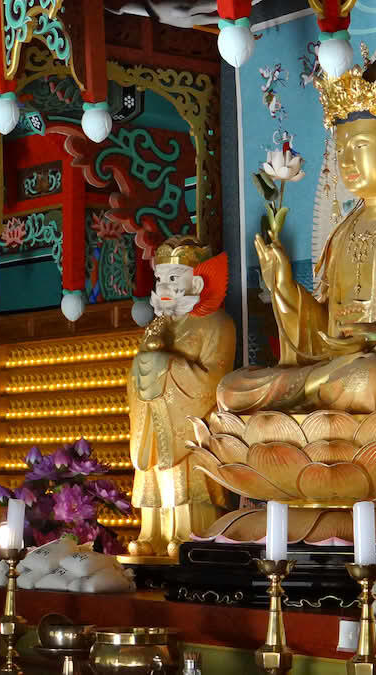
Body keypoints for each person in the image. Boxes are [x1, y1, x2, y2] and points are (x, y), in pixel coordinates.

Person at [217, 50, 376, 414]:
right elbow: (325, 331)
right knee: (231, 389)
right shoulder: (342, 234)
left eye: (361, 146)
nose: (347, 161)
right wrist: (286, 289)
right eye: (341, 149)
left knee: (369, 381)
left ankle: (317, 388)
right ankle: (319, 385)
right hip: (338, 369)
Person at [127, 235, 236, 558]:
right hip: (153, 417)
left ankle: (188, 532)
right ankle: (153, 533)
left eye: (173, 279)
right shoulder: (157, 327)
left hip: (190, 423)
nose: (164, 286)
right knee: (152, 473)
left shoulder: (216, 324)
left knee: (185, 472)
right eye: (160, 278)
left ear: (196, 282)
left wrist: (164, 365)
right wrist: (143, 367)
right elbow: (136, 379)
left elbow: (215, 380)